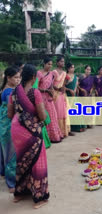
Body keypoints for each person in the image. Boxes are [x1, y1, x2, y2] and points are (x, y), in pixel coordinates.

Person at [8, 64, 49, 209]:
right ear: (33, 77)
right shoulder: (34, 92)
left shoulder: (14, 92)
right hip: (32, 131)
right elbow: (43, 115)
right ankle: (40, 196)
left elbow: (9, 114)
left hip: (17, 130)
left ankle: (20, 193)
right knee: (38, 162)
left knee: (21, 160)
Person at [0, 67, 20, 193]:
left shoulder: (6, 89)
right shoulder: (9, 93)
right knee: (11, 154)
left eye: (19, 77)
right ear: (8, 78)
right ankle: (11, 183)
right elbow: (11, 112)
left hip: (3, 124)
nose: (18, 80)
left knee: (4, 151)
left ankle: (3, 173)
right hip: (8, 125)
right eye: (16, 77)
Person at [37, 57, 63, 143]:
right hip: (42, 97)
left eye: (51, 64)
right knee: (45, 116)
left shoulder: (51, 74)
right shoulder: (39, 73)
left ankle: (54, 136)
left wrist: (54, 90)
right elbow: (36, 87)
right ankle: (46, 137)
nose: (50, 66)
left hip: (49, 97)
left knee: (52, 115)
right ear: (44, 64)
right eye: (48, 64)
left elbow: (51, 85)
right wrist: (46, 91)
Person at [53, 56, 71, 138]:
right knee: (57, 112)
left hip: (61, 94)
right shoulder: (53, 72)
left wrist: (63, 88)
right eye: (60, 61)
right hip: (55, 94)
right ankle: (57, 132)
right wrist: (57, 88)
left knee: (63, 112)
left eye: (63, 62)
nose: (62, 63)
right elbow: (50, 83)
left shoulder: (64, 73)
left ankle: (63, 132)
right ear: (57, 63)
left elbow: (64, 82)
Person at [65, 63, 86, 132]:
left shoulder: (75, 77)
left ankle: (80, 126)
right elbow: (62, 86)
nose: (73, 69)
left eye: (73, 67)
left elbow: (76, 85)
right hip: (67, 96)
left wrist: (78, 90)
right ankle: (72, 128)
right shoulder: (65, 76)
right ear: (68, 68)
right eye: (71, 67)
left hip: (74, 96)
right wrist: (69, 90)